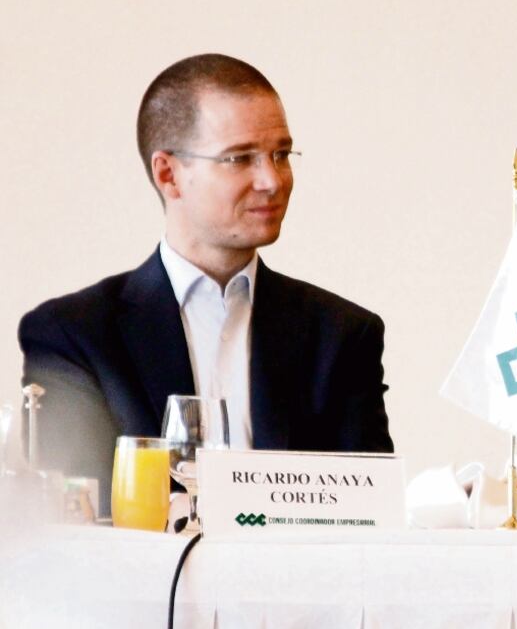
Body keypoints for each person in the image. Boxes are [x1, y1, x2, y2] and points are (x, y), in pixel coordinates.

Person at [18, 54, 392, 516]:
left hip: (297, 585)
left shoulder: (342, 335)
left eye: (281, 154)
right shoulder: (73, 336)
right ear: (168, 174)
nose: (272, 180)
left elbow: (368, 517)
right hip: (139, 586)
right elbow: (77, 524)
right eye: (240, 158)